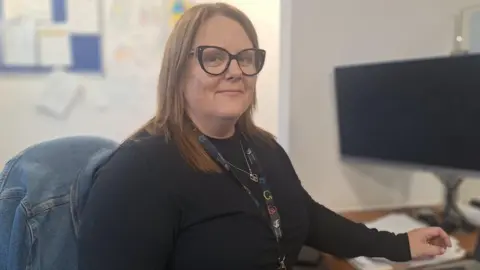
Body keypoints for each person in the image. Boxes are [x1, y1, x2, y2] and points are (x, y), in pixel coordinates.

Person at [77, 3, 452, 270]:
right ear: (178, 70)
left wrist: (398, 245)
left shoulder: (262, 147)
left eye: (246, 57)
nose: (235, 71)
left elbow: (305, 215)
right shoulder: (137, 172)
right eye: (214, 57)